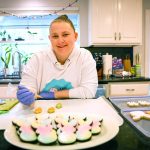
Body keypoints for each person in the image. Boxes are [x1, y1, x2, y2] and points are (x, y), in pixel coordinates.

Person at [17, 14, 98, 105]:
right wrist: (27, 93)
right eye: (55, 36)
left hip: (77, 112)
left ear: (75, 36)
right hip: (42, 114)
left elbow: (89, 91)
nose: (60, 41)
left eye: (65, 34)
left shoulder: (84, 56)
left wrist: (54, 94)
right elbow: (28, 87)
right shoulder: (37, 59)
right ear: (50, 39)